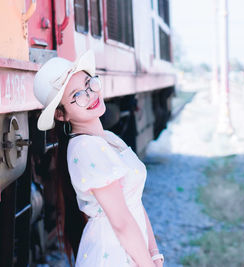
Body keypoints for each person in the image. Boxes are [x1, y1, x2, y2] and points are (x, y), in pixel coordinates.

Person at [33, 50, 164, 267]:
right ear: (61, 115)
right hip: (112, 256)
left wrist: (154, 254)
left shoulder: (109, 139)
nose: (91, 94)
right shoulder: (85, 147)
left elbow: (134, 202)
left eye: (89, 83)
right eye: (77, 95)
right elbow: (120, 221)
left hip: (131, 252)